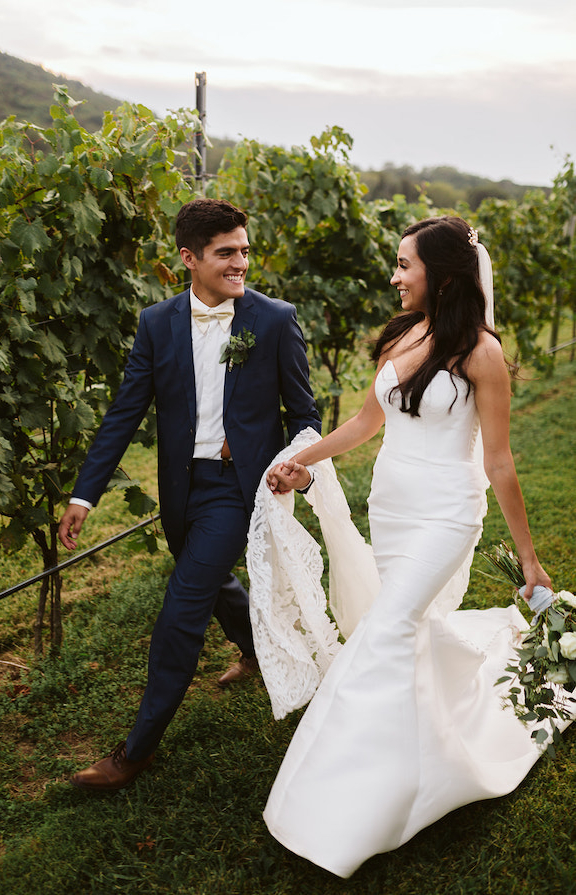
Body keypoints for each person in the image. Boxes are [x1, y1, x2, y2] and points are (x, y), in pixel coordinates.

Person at [257, 215, 555, 877]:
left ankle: (352, 802)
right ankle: (421, 752)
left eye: (404, 265)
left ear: (442, 274)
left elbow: (500, 461)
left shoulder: (482, 352)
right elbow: (367, 422)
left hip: (448, 512)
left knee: (386, 631)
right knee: (405, 635)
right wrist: (301, 460)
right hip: (392, 507)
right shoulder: (403, 333)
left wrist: (528, 556)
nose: (394, 276)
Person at [58, 198, 320, 791]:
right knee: (204, 574)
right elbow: (125, 414)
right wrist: (85, 495)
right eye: (226, 253)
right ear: (189, 258)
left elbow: (305, 413)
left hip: (237, 488)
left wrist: (289, 462)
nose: (240, 264)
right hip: (180, 488)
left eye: (245, 252)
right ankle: (254, 650)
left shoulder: (274, 319)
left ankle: (135, 752)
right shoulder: (157, 323)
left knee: (181, 611)